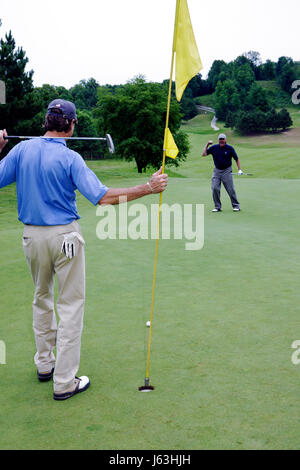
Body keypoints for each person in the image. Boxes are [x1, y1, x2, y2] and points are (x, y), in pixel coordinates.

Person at [0, 99, 168, 401]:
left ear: (46, 123)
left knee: (41, 298)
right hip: (65, 237)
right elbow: (102, 198)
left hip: (31, 238)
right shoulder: (70, 158)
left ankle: (45, 365)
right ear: (72, 125)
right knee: (70, 307)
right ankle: (64, 381)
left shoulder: (21, 150)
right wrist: (148, 188)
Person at [202, 133, 242, 212]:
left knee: (230, 189)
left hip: (227, 170)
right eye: (220, 139)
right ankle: (217, 207)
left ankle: (236, 206)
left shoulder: (230, 148)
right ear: (218, 140)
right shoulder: (214, 148)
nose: (221, 141)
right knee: (215, 188)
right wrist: (207, 144)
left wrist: (239, 169)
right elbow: (204, 154)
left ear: (225, 140)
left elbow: (236, 159)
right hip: (217, 171)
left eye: (223, 139)